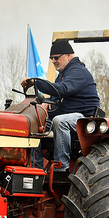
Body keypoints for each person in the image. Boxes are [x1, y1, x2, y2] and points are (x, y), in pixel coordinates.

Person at [21, 39, 100, 173]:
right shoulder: (63, 75)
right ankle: (35, 168)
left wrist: (36, 82)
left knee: (60, 122)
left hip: (83, 117)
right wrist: (45, 103)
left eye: (56, 57)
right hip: (66, 112)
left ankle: (61, 168)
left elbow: (62, 90)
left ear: (69, 56)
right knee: (34, 123)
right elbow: (56, 96)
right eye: (51, 58)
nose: (53, 61)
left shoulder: (78, 71)